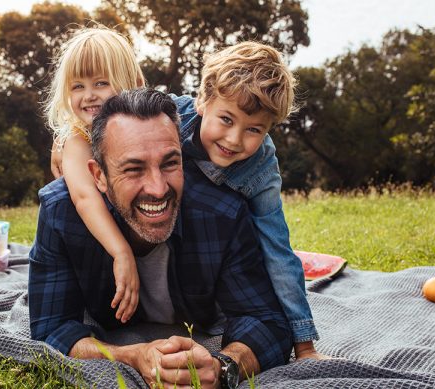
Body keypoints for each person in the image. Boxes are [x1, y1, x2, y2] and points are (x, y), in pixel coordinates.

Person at [50, 37, 323, 359]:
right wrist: (66, 140)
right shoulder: (170, 116)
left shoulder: (261, 170)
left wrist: (304, 345)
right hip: (150, 234)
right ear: (202, 101)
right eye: (226, 119)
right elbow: (126, 108)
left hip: (210, 250)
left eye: (254, 130)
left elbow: (278, 253)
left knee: (270, 252)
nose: (234, 139)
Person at [29, 88, 293, 388]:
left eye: (170, 163)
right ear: (98, 176)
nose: (157, 188)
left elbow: (269, 323)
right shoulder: (61, 213)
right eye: (133, 169)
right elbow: (51, 329)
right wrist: (132, 356)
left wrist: (223, 366)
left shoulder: (222, 213)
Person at [44, 26, 145, 323]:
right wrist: (121, 252)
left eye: (101, 83)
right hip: (98, 248)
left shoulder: (144, 122)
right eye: (77, 86)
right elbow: (85, 197)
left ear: (132, 83)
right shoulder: (77, 138)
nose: (88, 96)